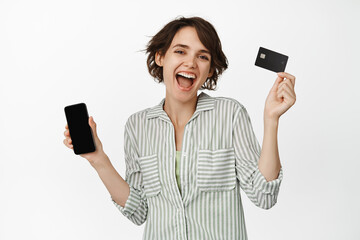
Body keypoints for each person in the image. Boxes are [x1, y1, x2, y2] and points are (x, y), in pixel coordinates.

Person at [63, 16, 296, 240]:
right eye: (180, 51)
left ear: (211, 70)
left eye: (202, 57)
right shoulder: (137, 126)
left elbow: (264, 196)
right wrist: (98, 159)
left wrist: (270, 119)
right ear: (161, 57)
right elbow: (138, 211)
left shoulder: (230, 114)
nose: (191, 63)